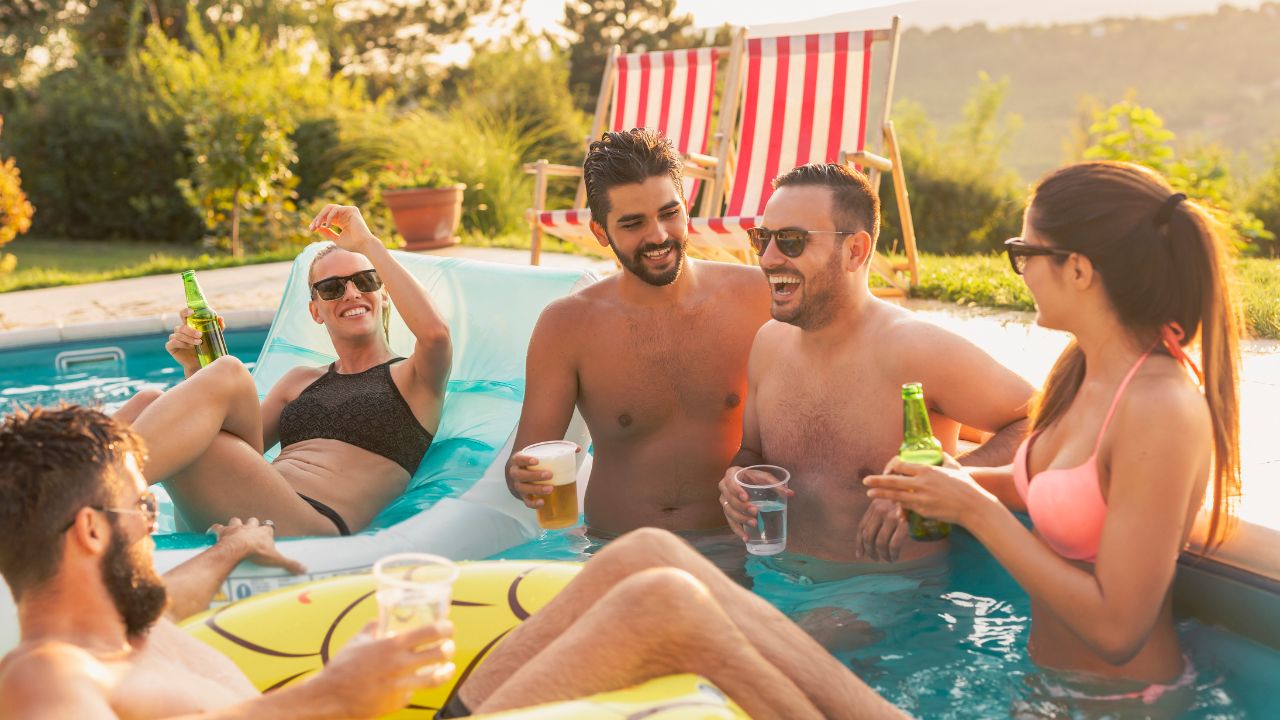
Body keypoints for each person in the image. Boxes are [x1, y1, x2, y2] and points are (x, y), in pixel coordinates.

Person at [0, 406, 905, 720]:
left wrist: (231, 548)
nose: (157, 520)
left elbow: (178, 588)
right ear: (88, 533)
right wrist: (331, 698)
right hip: (352, 710)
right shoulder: (46, 675)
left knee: (648, 554)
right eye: (143, 508)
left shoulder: (130, 622)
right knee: (662, 604)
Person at [864, 161, 1239, 708]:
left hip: (1127, 703)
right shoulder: (1083, 369)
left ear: (1079, 269)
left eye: (1025, 253)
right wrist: (946, 482)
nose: (1021, 270)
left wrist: (974, 510)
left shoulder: (1162, 407)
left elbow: (1118, 631)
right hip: (1046, 686)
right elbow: (1056, 489)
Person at [716, 163, 1035, 640]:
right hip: (775, 579)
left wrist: (947, 482)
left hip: (886, 593)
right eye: (762, 238)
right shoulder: (769, 344)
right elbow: (753, 455)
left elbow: (1041, 418)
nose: (766, 258)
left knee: (766, 660)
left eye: (791, 241)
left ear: (854, 250)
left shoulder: (914, 349)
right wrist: (737, 479)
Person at [119, 204, 452, 536]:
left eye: (365, 281)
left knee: (229, 372)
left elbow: (435, 334)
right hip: (244, 505)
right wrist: (194, 368)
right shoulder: (300, 381)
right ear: (315, 311)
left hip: (311, 524)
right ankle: (77, 476)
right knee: (148, 399)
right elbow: (228, 441)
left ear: (384, 297)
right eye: (332, 288)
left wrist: (367, 243)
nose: (351, 293)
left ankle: (90, 491)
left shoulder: (413, 378)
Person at [506, 129, 771, 543]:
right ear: (600, 232)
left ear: (686, 208)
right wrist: (524, 477)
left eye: (669, 213)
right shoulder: (566, 326)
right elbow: (525, 458)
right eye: (633, 224)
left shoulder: (758, 298)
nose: (659, 236)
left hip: (737, 544)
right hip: (613, 545)